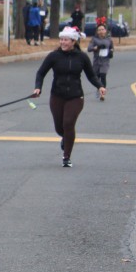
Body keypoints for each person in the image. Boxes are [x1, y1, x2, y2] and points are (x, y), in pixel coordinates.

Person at [32, 26, 105, 168]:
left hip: (75, 96)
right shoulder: (54, 56)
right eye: (61, 40)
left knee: (68, 123)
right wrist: (38, 87)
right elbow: (40, 73)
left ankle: (66, 157)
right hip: (57, 95)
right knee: (59, 128)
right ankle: (65, 138)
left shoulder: (81, 57)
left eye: (66, 40)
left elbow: (91, 75)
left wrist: (100, 86)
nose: (62, 42)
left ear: (73, 41)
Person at [87, 23, 114, 99]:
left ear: (105, 30)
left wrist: (111, 52)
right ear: (97, 31)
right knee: (96, 77)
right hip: (97, 60)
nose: (101, 31)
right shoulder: (94, 39)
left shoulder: (109, 39)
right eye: (99, 30)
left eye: (102, 29)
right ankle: (99, 88)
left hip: (105, 61)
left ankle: (102, 94)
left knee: (103, 75)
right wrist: (96, 48)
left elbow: (111, 47)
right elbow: (89, 49)